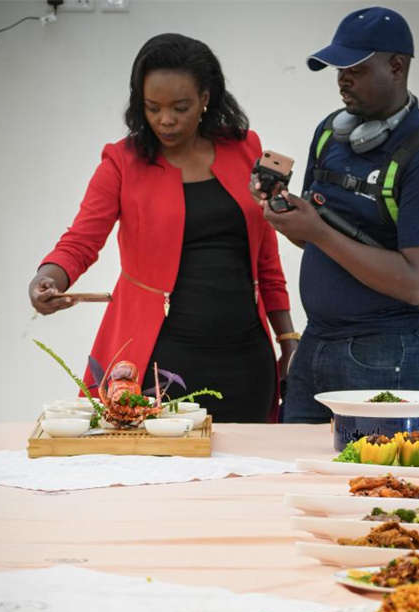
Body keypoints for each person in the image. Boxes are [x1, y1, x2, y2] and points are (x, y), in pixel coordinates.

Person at [28, 33, 297, 423]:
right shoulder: (122, 162)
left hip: (245, 361)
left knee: (246, 460)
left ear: (205, 98)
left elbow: (266, 259)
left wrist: (287, 340)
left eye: (180, 107)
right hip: (158, 360)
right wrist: (49, 277)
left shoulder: (246, 148)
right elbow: (81, 240)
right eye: (152, 107)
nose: (165, 120)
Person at [258, 7, 419, 423]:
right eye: (338, 69)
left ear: (397, 66)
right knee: (293, 459)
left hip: (390, 350)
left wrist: (319, 233)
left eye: (356, 69)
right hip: (317, 341)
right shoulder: (330, 134)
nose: (342, 79)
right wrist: (285, 216)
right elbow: (314, 236)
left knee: (376, 467)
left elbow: (414, 283)